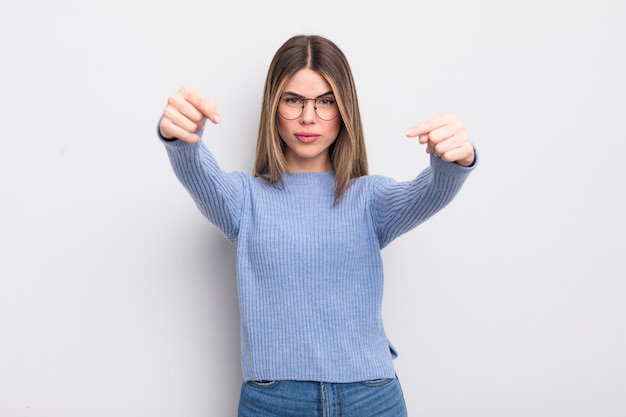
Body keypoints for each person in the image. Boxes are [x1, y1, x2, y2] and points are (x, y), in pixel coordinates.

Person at [157, 34, 476, 417]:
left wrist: (455, 160)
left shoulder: (370, 199)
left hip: (370, 397)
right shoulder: (245, 200)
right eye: (293, 100)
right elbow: (197, 172)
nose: (309, 118)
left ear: (344, 112)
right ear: (273, 107)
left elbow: (433, 191)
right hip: (274, 401)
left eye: (326, 102)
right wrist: (181, 138)